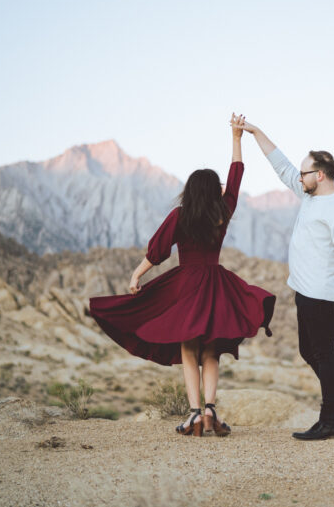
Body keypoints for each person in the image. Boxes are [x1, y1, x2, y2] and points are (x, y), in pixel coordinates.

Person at [88, 114, 275, 437]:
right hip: (216, 285)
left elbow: (157, 252)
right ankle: (211, 410)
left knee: (189, 349)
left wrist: (136, 276)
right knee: (211, 351)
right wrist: (235, 139)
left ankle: (193, 414)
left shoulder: (180, 215)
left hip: (186, 286)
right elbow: (236, 179)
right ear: (211, 191)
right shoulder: (223, 214)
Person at [234, 116, 334, 440]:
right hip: (304, 290)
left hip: (323, 292)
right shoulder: (310, 194)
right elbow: (282, 166)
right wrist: (255, 133)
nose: (298, 177)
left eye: (305, 173)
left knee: (324, 351)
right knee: (309, 351)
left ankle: (331, 419)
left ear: (320, 175)